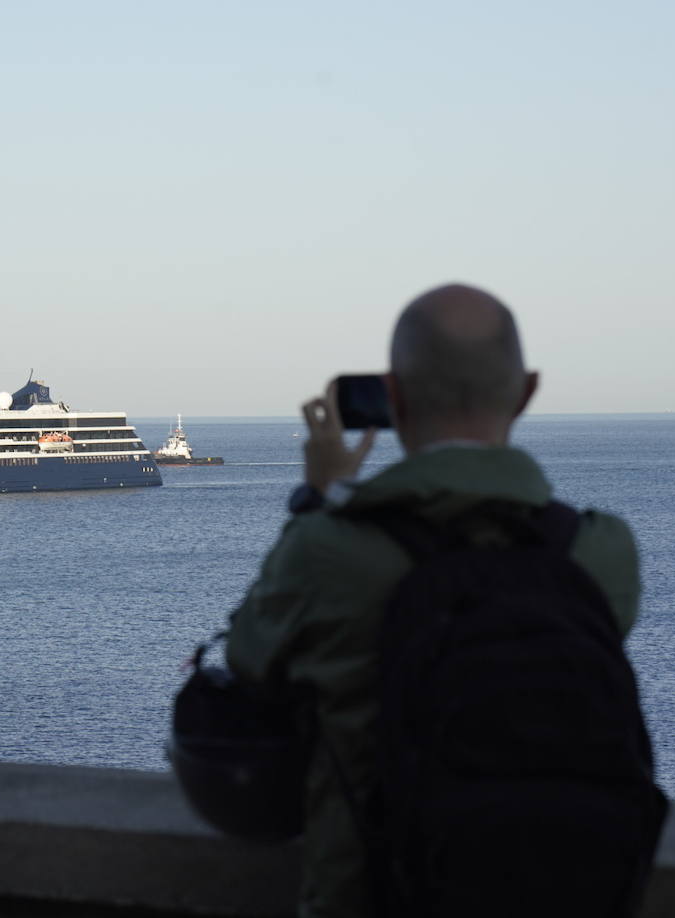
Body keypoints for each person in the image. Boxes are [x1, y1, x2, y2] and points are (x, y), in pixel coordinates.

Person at [225, 283, 642, 917]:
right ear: (526, 392)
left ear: (393, 399)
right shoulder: (602, 553)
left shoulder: (328, 553)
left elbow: (248, 658)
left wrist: (318, 499)